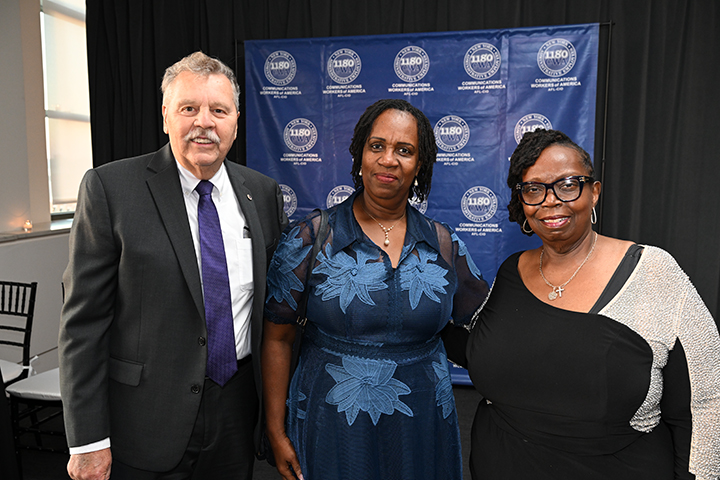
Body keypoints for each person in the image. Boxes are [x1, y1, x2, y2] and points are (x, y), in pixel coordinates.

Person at [58, 51, 288, 480]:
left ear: (236, 121)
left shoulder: (263, 193)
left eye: (218, 110)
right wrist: (88, 440)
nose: (204, 122)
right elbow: (83, 325)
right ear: (165, 116)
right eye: (189, 108)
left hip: (237, 412)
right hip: (144, 420)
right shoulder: (111, 189)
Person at [465, 128, 720, 480]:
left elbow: (706, 401)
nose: (551, 200)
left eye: (568, 185)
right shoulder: (512, 271)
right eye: (534, 189)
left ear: (594, 192)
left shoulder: (653, 271)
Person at [262, 98, 490, 480]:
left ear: (420, 164)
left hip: (423, 423)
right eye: (377, 146)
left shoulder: (444, 244)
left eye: (405, 150)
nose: (388, 160)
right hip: (333, 422)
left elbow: (485, 330)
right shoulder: (312, 238)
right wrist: (275, 428)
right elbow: (277, 338)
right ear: (360, 155)